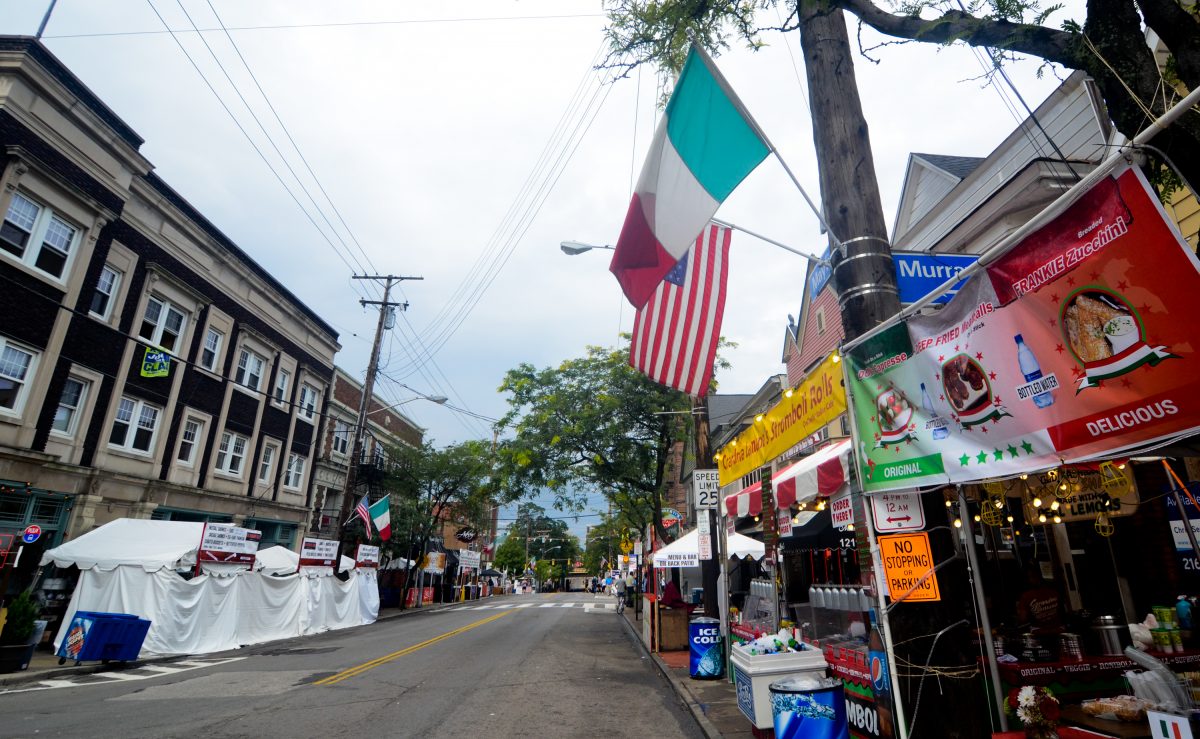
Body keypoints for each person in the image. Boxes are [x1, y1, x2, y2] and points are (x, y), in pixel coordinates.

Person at [1016, 567, 1062, 631]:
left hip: (1039, 634)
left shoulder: (1026, 597)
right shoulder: (1053, 591)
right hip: (1058, 630)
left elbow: (1022, 618)